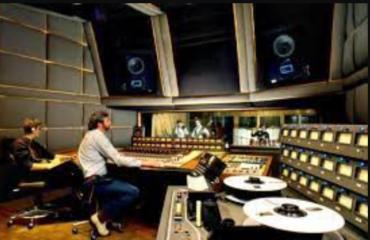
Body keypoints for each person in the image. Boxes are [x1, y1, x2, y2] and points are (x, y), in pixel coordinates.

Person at [78, 111, 164, 237]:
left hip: (90, 180)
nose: (110, 123)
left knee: (125, 182)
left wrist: (116, 156)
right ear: (100, 124)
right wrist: (147, 162)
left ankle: (106, 216)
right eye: (108, 121)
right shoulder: (98, 136)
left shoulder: (89, 135)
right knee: (133, 191)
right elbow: (118, 160)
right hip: (96, 182)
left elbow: (106, 155)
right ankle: (100, 217)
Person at [12, 118, 81, 185]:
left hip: (40, 169)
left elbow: (50, 155)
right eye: (39, 129)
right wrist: (48, 166)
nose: (40, 131)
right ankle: (81, 189)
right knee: (66, 170)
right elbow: (27, 165)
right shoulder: (19, 143)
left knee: (69, 164)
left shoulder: (33, 143)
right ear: (33, 130)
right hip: (29, 174)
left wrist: (68, 157)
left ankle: (80, 188)